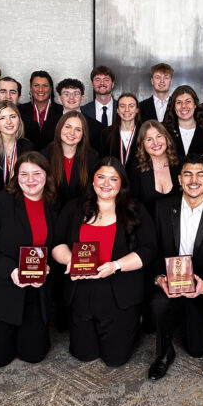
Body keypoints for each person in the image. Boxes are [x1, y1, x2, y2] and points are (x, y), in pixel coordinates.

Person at [51, 157, 156, 367]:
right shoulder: (74, 208)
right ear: (92, 180)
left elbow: (149, 250)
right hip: (81, 290)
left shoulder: (135, 209)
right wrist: (71, 260)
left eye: (113, 179)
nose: (106, 184)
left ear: (122, 183)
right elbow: (57, 243)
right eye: (100, 177)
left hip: (119, 292)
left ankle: (132, 324)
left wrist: (115, 266)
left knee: (115, 359)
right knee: (83, 354)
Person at [0, 151, 58, 367]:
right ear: (15, 176)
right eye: (24, 174)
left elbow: (56, 246)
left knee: (34, 355)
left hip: (34, 293)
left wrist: (47, 269)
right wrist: (11, 270)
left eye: (36, 173)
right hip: (0, 291)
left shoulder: (53, 204)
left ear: (47, 175)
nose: (30, 180)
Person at [148, 155, 203, 380]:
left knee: (197, 350)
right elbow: (153, 250)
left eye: (200, 174)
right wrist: (159, 278)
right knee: (158, 303)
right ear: (179, 179)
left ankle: (191, 320)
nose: (193, 179)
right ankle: (163, 354)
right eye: (188, 174)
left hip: (199, 287)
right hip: (169, 284)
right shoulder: (162, 208)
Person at [41, 111, 99, 209]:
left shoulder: (92, 157)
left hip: (81, 212)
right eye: (68, 127)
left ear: (83, 134)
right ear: (60, 128)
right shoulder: (44, 156)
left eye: (78, 129)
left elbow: (92, 192)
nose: (72, 133)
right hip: (51, 213)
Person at [129, 120, 181, 216]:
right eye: (149, 139)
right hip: (148, 227)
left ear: (166, 138)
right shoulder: (137, 168)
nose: (155, 142)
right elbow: (133, 205)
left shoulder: (179, 164)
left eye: (159, 136)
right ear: (143, 144)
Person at [18, 71, 63, 150]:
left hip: (54, 157)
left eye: (45, 86)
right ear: (30, 88)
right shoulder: (19, 111)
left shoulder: (62, 111)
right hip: (27, 157)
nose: (40, 89)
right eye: (36, 85)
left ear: (50, 88)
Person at [162, 85, 203, 157]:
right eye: (179, 102)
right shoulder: (164, 130)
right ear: (173, 107)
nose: (184, 106)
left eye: (188, 101)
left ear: (195, 104)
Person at [55, 78, 103, 151]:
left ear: (82, 98)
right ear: (60, 98)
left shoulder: (96, 127)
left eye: (76, 94)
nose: (71, 97)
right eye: (66, 94)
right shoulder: (48, 125)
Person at [100, 93, 141, 171]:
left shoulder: (144, 133)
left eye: (131, 106)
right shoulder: (106, 133)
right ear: (117, 110)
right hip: (115, 179)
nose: (127, 109)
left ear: (137, 110)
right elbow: (103, 161)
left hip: (139, 180)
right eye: (122, 106)